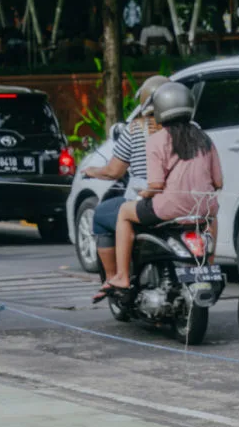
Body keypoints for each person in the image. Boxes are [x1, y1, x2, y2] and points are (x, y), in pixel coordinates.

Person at [103, 82, 223, 294]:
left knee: (123, 212)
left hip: (169, 208)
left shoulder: (158, 139)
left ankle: (121, 276)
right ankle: (207, 266)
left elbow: (156, 185)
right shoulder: (204, 138)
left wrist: (144, 194)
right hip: (203, 208)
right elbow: (218, 183)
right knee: (210, 219)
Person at [85, 75, 169, 297]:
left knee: (102, 215)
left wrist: (92, 171)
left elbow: (114, 171)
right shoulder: (190, 129)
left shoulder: (135, 129)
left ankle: (114, 277)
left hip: (144, 202)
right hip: (183, 202)